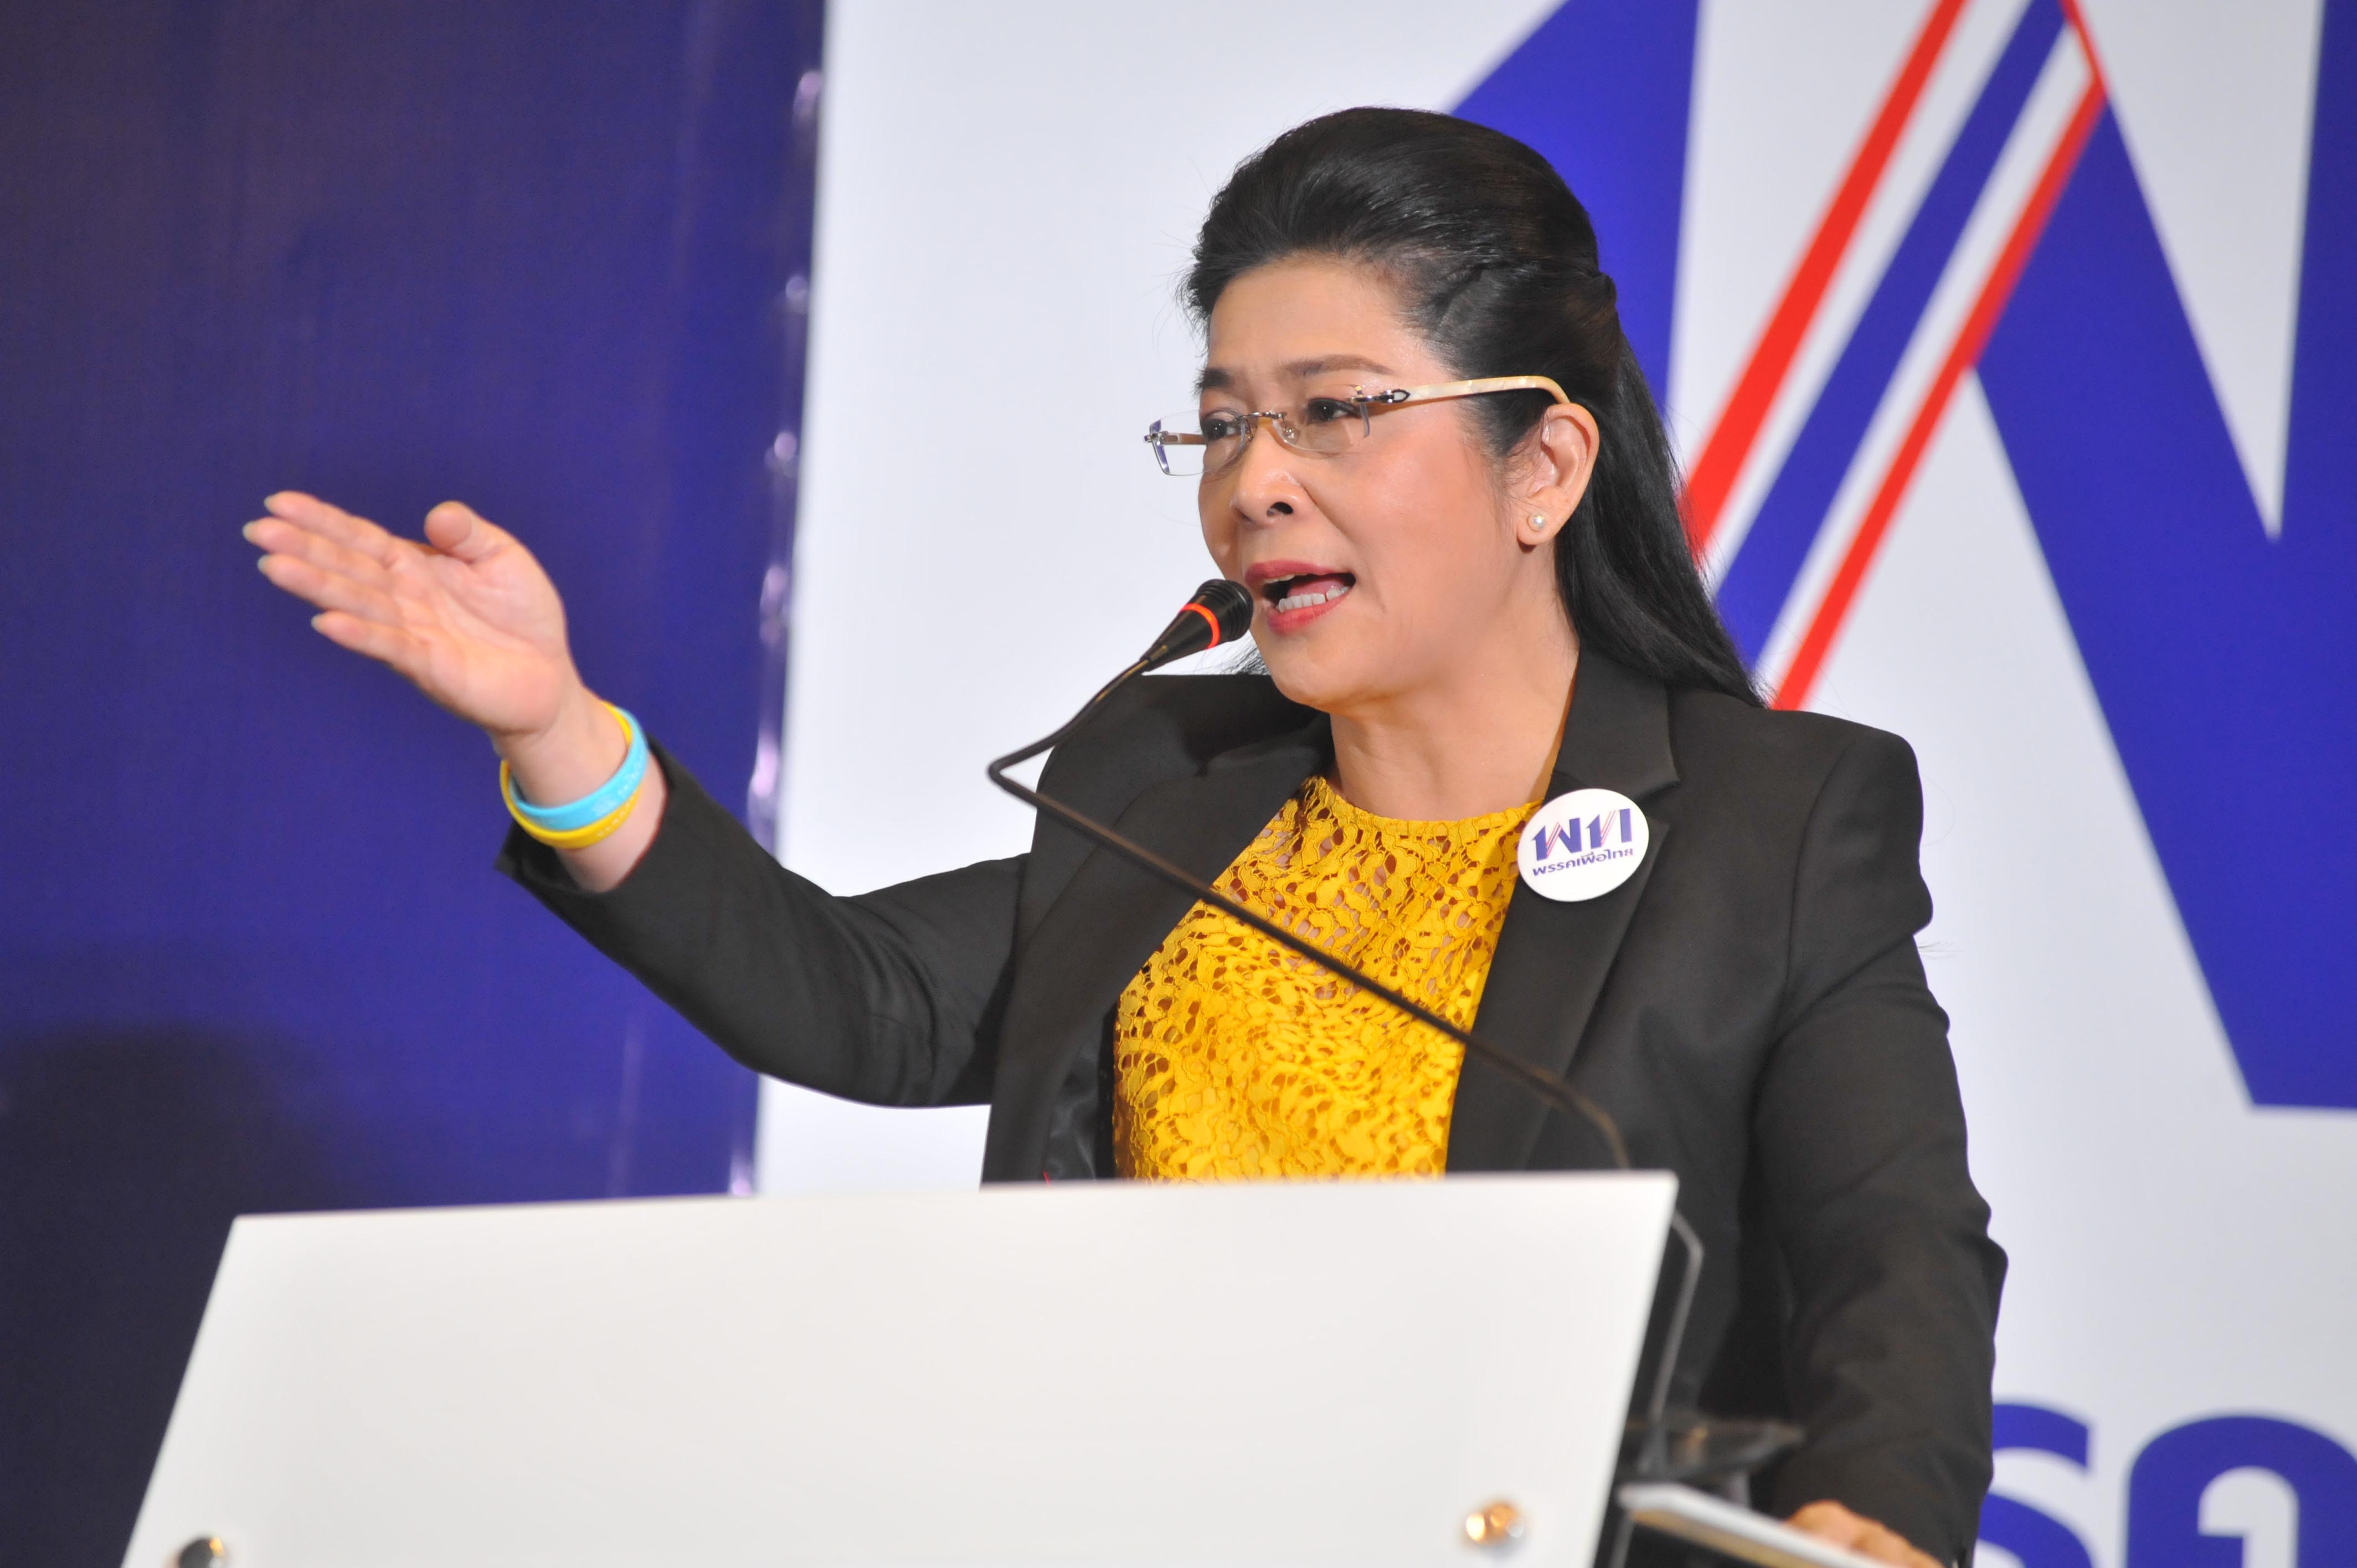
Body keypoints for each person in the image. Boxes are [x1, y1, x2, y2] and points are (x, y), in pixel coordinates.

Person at [244, 107, 2003, 1567]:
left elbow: (1893, 1248)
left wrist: (1875, 1524)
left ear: (1542, 465)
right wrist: (557, 727)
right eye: (1225, 422)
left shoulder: (1773, 823)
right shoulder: (1168, 795)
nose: (1256, 482)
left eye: (1336, 411)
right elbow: (855, 997)